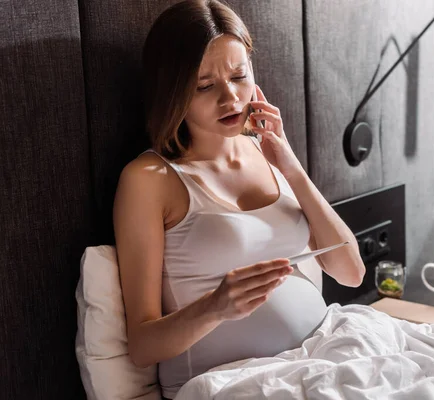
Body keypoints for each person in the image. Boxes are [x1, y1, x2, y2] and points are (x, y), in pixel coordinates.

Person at [112, 0, 366, 397]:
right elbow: (143, 348)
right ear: (173, 92)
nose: (230, 98)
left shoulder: (267, 153)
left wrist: (291, 166)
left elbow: (351, 272)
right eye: (205, 85)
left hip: (323, 353)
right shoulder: (149, 180)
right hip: (234, 383)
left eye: (239, 75)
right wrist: (216, 306)